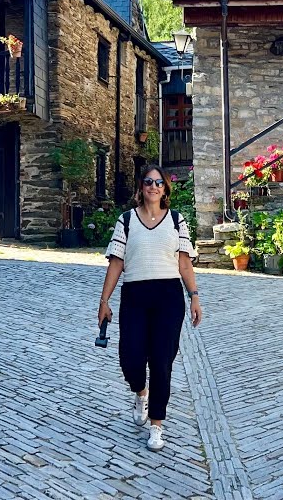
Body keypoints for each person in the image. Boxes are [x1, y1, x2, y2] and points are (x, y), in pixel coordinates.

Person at [98, 165, 202, 451]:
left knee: (161, 363)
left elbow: (184, 263)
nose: (153, 187)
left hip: (168, 296)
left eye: (159, 183)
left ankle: (157, 425)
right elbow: (116, 263)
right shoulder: (126, 220)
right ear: (141, 187)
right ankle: (140, 392)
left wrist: (194, 295)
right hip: (135, 295)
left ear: (166, 189)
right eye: (148, 182)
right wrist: (104, 301)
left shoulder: (177, 221)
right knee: (130, 358)